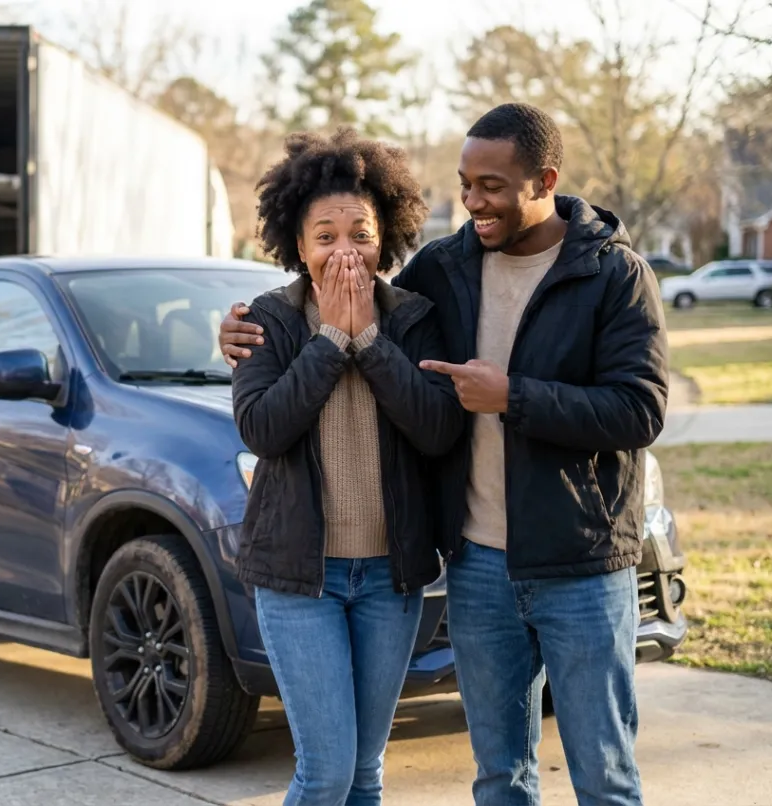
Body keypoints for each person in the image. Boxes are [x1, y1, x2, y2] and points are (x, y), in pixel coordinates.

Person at [221, 104, 668, 806]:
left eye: (492, 185)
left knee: (605, 777)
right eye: (465, 184)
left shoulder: (613, 277)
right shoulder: (445, 269)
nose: (474, 202)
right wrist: (281, 337)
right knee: (493, 776)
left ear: (544, 180)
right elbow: (273, 406)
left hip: (576, 561)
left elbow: (639, 410)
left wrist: (510, 394)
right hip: (474, 564)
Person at [231, 127, 464, 805]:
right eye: (324, 235)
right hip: (301, 580)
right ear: (297, 247)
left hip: (390, 582)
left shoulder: (415, 319)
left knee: (366, 773)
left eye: (358, 233)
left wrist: (370, 339)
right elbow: (264, 429)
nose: (344, 250)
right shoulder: (268, 322)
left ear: (384, 237)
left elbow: (438, 427)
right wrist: (332, 338)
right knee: (326, 771)